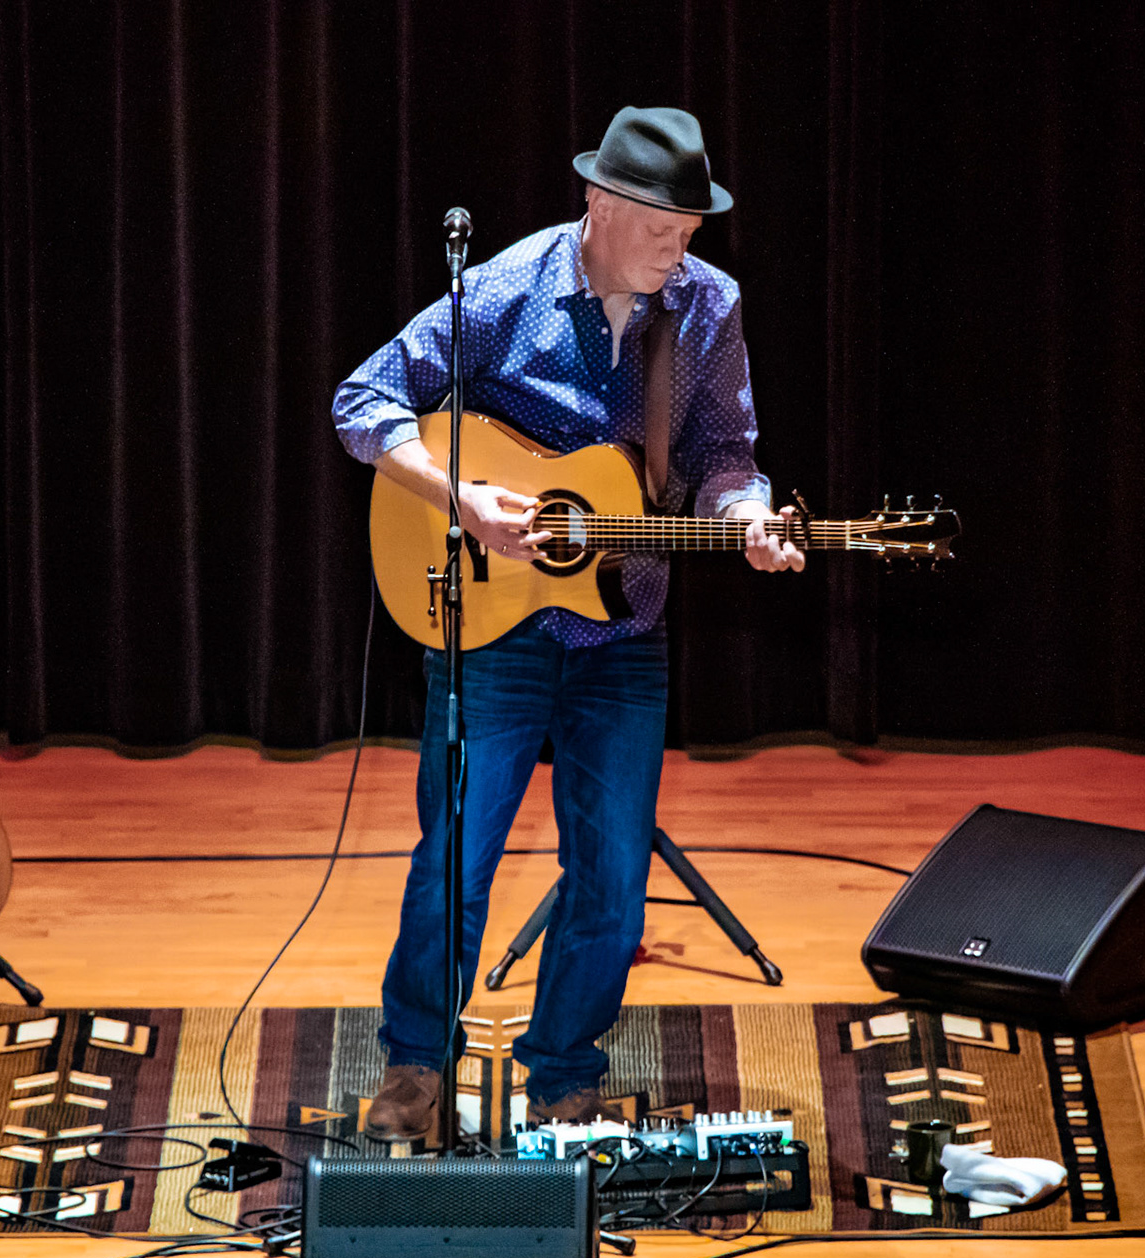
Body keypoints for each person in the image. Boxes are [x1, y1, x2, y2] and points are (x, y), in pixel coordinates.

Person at [332, 106, 804, 1142]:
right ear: (599, 202)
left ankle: (563, 1074)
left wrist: (747, 517)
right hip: (491, 628)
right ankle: (416, 1062)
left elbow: (725, 453)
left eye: (690, 228)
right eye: (661, 227)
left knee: (615, 883)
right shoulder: (506, 288)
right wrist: (459, 495)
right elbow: (363, 401)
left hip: (623, 630)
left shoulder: (708, 305)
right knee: (455, 863)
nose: (678, 248)